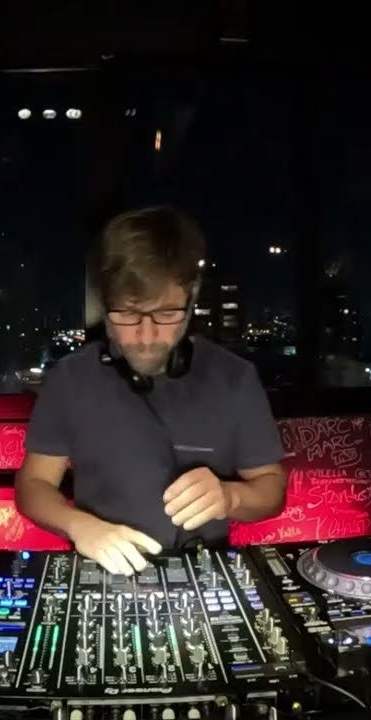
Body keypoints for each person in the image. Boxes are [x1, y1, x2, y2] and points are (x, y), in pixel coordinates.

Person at [15, 206, 287, 576]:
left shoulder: (235, 379)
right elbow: (33, 485)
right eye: (128, 314)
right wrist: (79, 526)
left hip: (203, 571)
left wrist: (230, 496)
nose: (146, 336)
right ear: (105, 305)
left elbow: (271, 491)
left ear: (191, 299)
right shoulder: (70, 378)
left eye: (166, 314)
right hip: (103, 567)